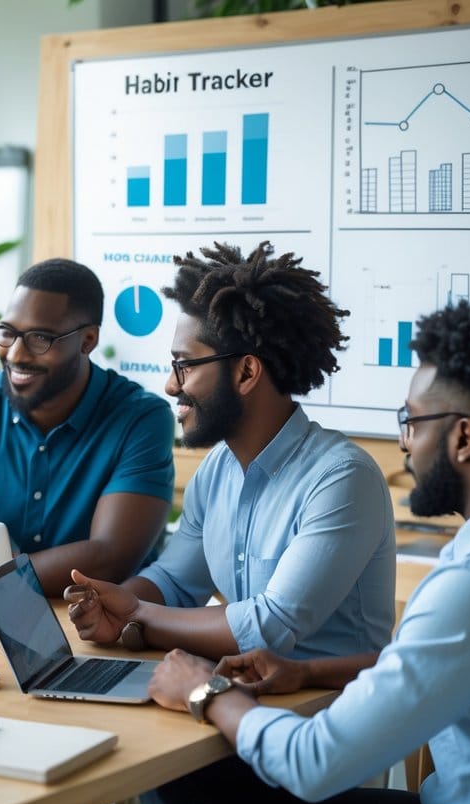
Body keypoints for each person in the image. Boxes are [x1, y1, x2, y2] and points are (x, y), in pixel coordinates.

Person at [100, 301, 470, 804]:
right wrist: (308, 672)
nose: (404, 444)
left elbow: (314, 763)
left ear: (463, 439)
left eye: (412, 422)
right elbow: (433, 663)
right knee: (186, 786)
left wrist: (204, 692)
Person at [67, 240, 395, 662]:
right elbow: (174, 582)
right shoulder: (218, 469)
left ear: (245, 372)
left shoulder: (344, 479)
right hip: (241, 693)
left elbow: (268, 627)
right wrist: (110, 607)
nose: (171, 385)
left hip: (328, 710)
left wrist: (137, 614)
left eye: (184, 365)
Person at [0, 258, 176, 596]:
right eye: (7, 333)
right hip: (7, 611)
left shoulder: (141, 418)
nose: (16, 354)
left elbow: (108, 558)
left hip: (110, 621)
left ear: (87, 341)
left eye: (40, 338)